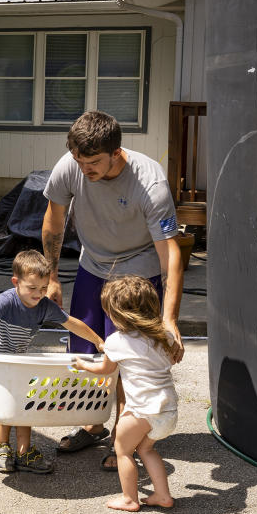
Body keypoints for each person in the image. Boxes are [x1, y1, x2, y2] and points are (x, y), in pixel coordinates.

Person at [41, 110, 184, 470]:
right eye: (79, 160)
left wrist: (169, 319)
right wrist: (52, 276)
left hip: (138, 268)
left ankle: (126, 433)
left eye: (93, 162)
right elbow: (54, 219)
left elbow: (170, 252)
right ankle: (93, 424)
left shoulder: (149, 183)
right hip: (93, 261)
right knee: (86, 347)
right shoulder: (70, 165)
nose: (84, 169)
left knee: (130, 357)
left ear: (116, 153)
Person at [0, 249, 105, 475]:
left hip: (18, 360)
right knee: (5, 405)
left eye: (44, 288)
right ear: (16, 282)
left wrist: (98, 341)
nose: (38, 294)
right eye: (32, 288)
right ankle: (2, 449)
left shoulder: (44, 306)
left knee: (24, 404)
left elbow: (72, 323)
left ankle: (24, 451)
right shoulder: (7, 300)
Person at [72, 276, 178, 511]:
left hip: (142, 410)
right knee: (146, 449)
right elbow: (171, 358)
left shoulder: (117, 341)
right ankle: (162, 495)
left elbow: (105, 369)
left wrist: (83, 365)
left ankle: (130, 499)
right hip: (168, 410)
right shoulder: (164, 336)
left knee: (123, 450)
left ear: (118, 314)